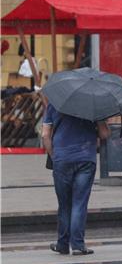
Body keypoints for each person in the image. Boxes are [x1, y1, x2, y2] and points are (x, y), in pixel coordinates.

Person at [42, 104, 110, 255]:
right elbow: (104, 134)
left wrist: (54, 156)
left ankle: (63, 244)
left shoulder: (54, 104)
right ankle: (78, 245)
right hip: (86, 159)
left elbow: (45, 135)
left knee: (64, 204)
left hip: (62, 159)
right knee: (79, 203)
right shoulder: (93, 104)